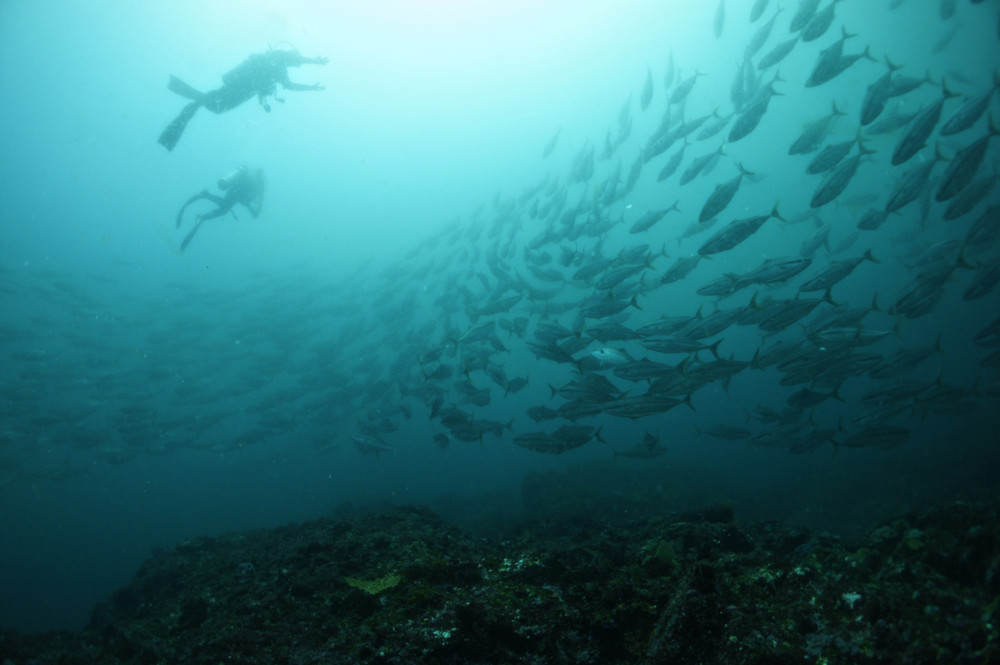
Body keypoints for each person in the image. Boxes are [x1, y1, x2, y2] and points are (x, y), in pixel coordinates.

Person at [158, 47, 329, 151]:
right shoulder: (278, 57)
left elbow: (290, 86)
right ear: (291, 56)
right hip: (243, 86)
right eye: (296, 62)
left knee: (217, 107)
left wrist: (311, 88)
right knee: (216, 105)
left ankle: (192, 101)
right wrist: (315, 61)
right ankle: (190, 97)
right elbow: (295, 62)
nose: (296, 65)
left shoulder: (280, 69)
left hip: (245, 88)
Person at [175, 167, 266, 251]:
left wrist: (251, 208)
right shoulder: (259, 184)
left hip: (233, 191)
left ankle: (205, 196)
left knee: (224, 206)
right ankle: (203, 211)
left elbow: (247, 198)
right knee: (224, 209)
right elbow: (253, 200)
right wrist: (253, 211)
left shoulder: (250, 176)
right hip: (237, 194)